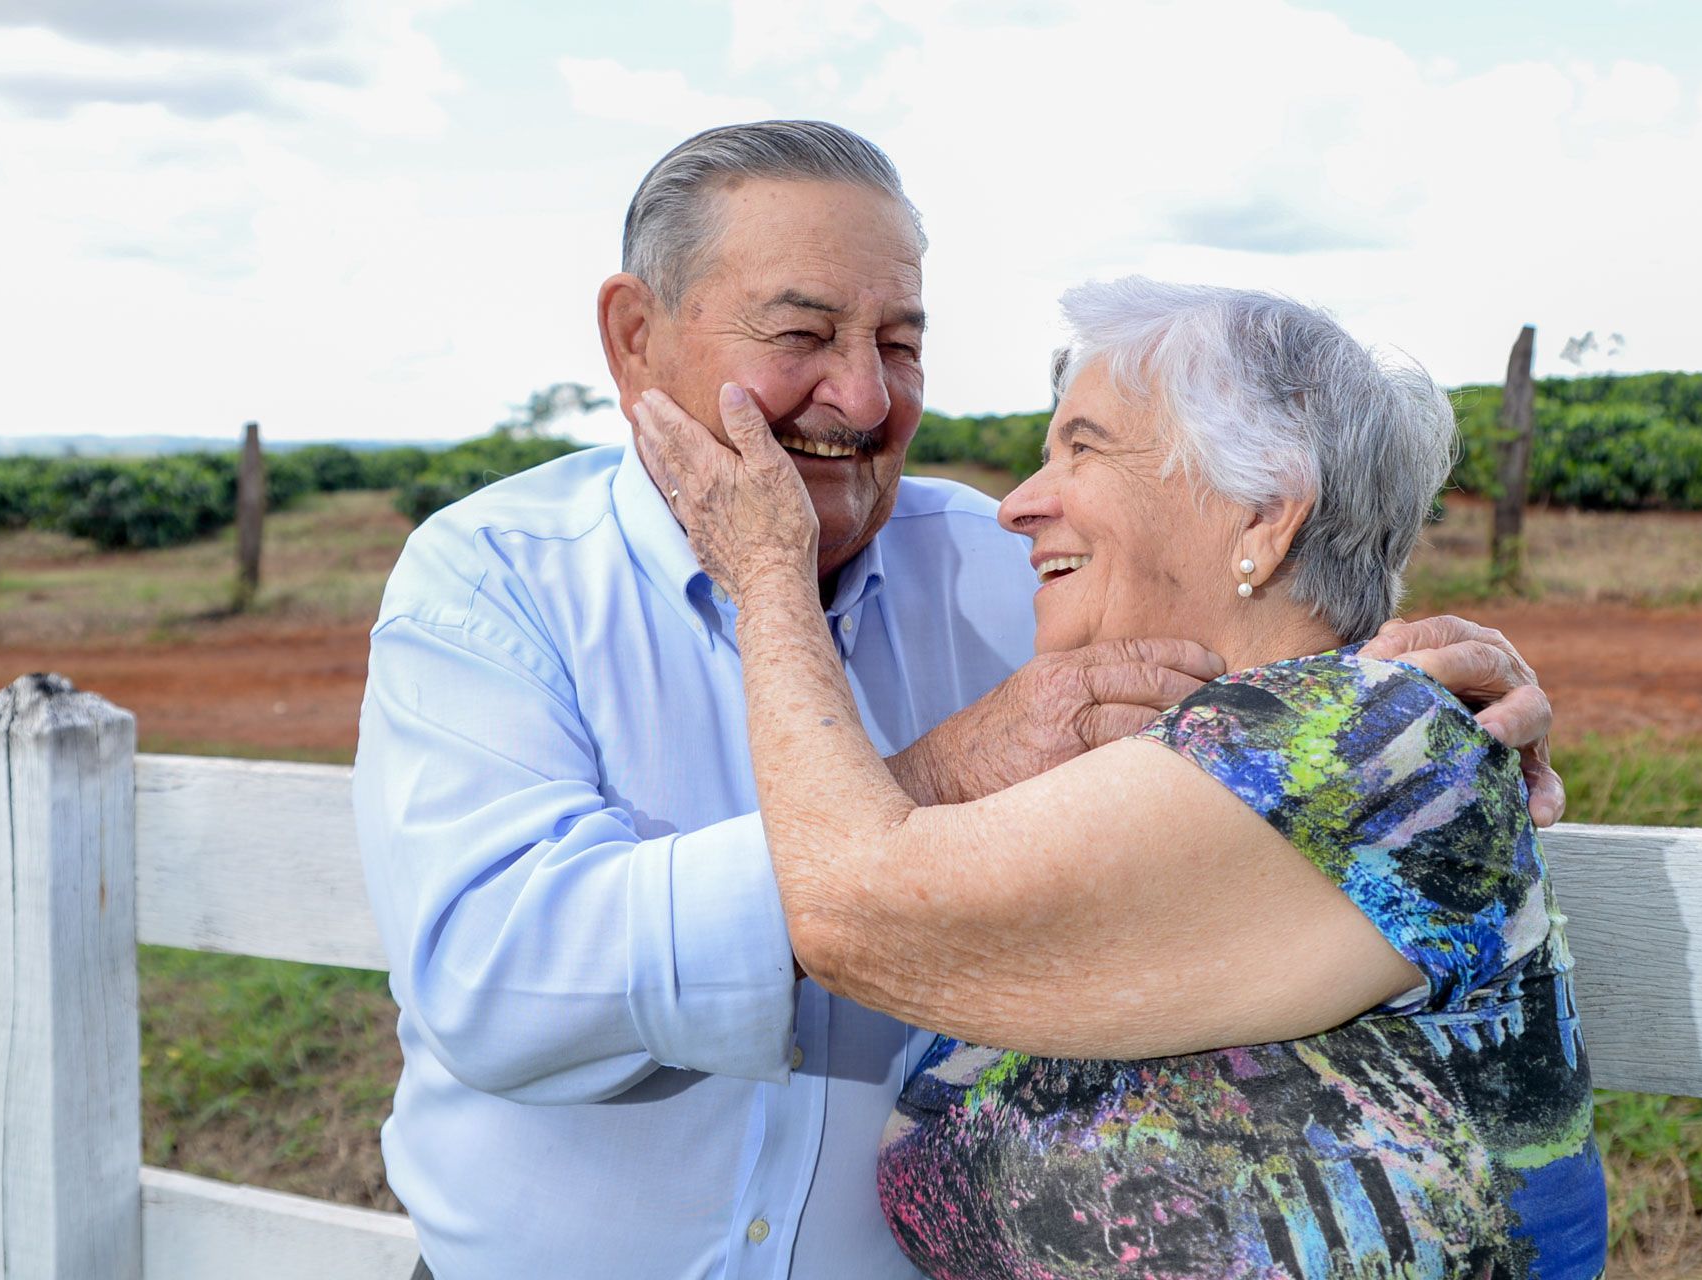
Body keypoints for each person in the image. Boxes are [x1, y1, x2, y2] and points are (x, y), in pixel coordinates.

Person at [354, 122, 1566, 1280]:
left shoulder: (1012, 573)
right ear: (635, 338)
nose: (866, 397)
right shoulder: (490, 582)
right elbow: (495, 979)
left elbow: (1279, 651)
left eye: (898, 340)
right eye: (803, 333)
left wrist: (1435, 676)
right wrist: (939, 777)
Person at [630, 276, 1607, 1279]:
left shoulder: (1369, 739)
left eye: (1083, 445)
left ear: (1266, 515)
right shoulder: (1246, 747)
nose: (1016, 503)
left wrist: (765, 572)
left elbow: (847, 909)